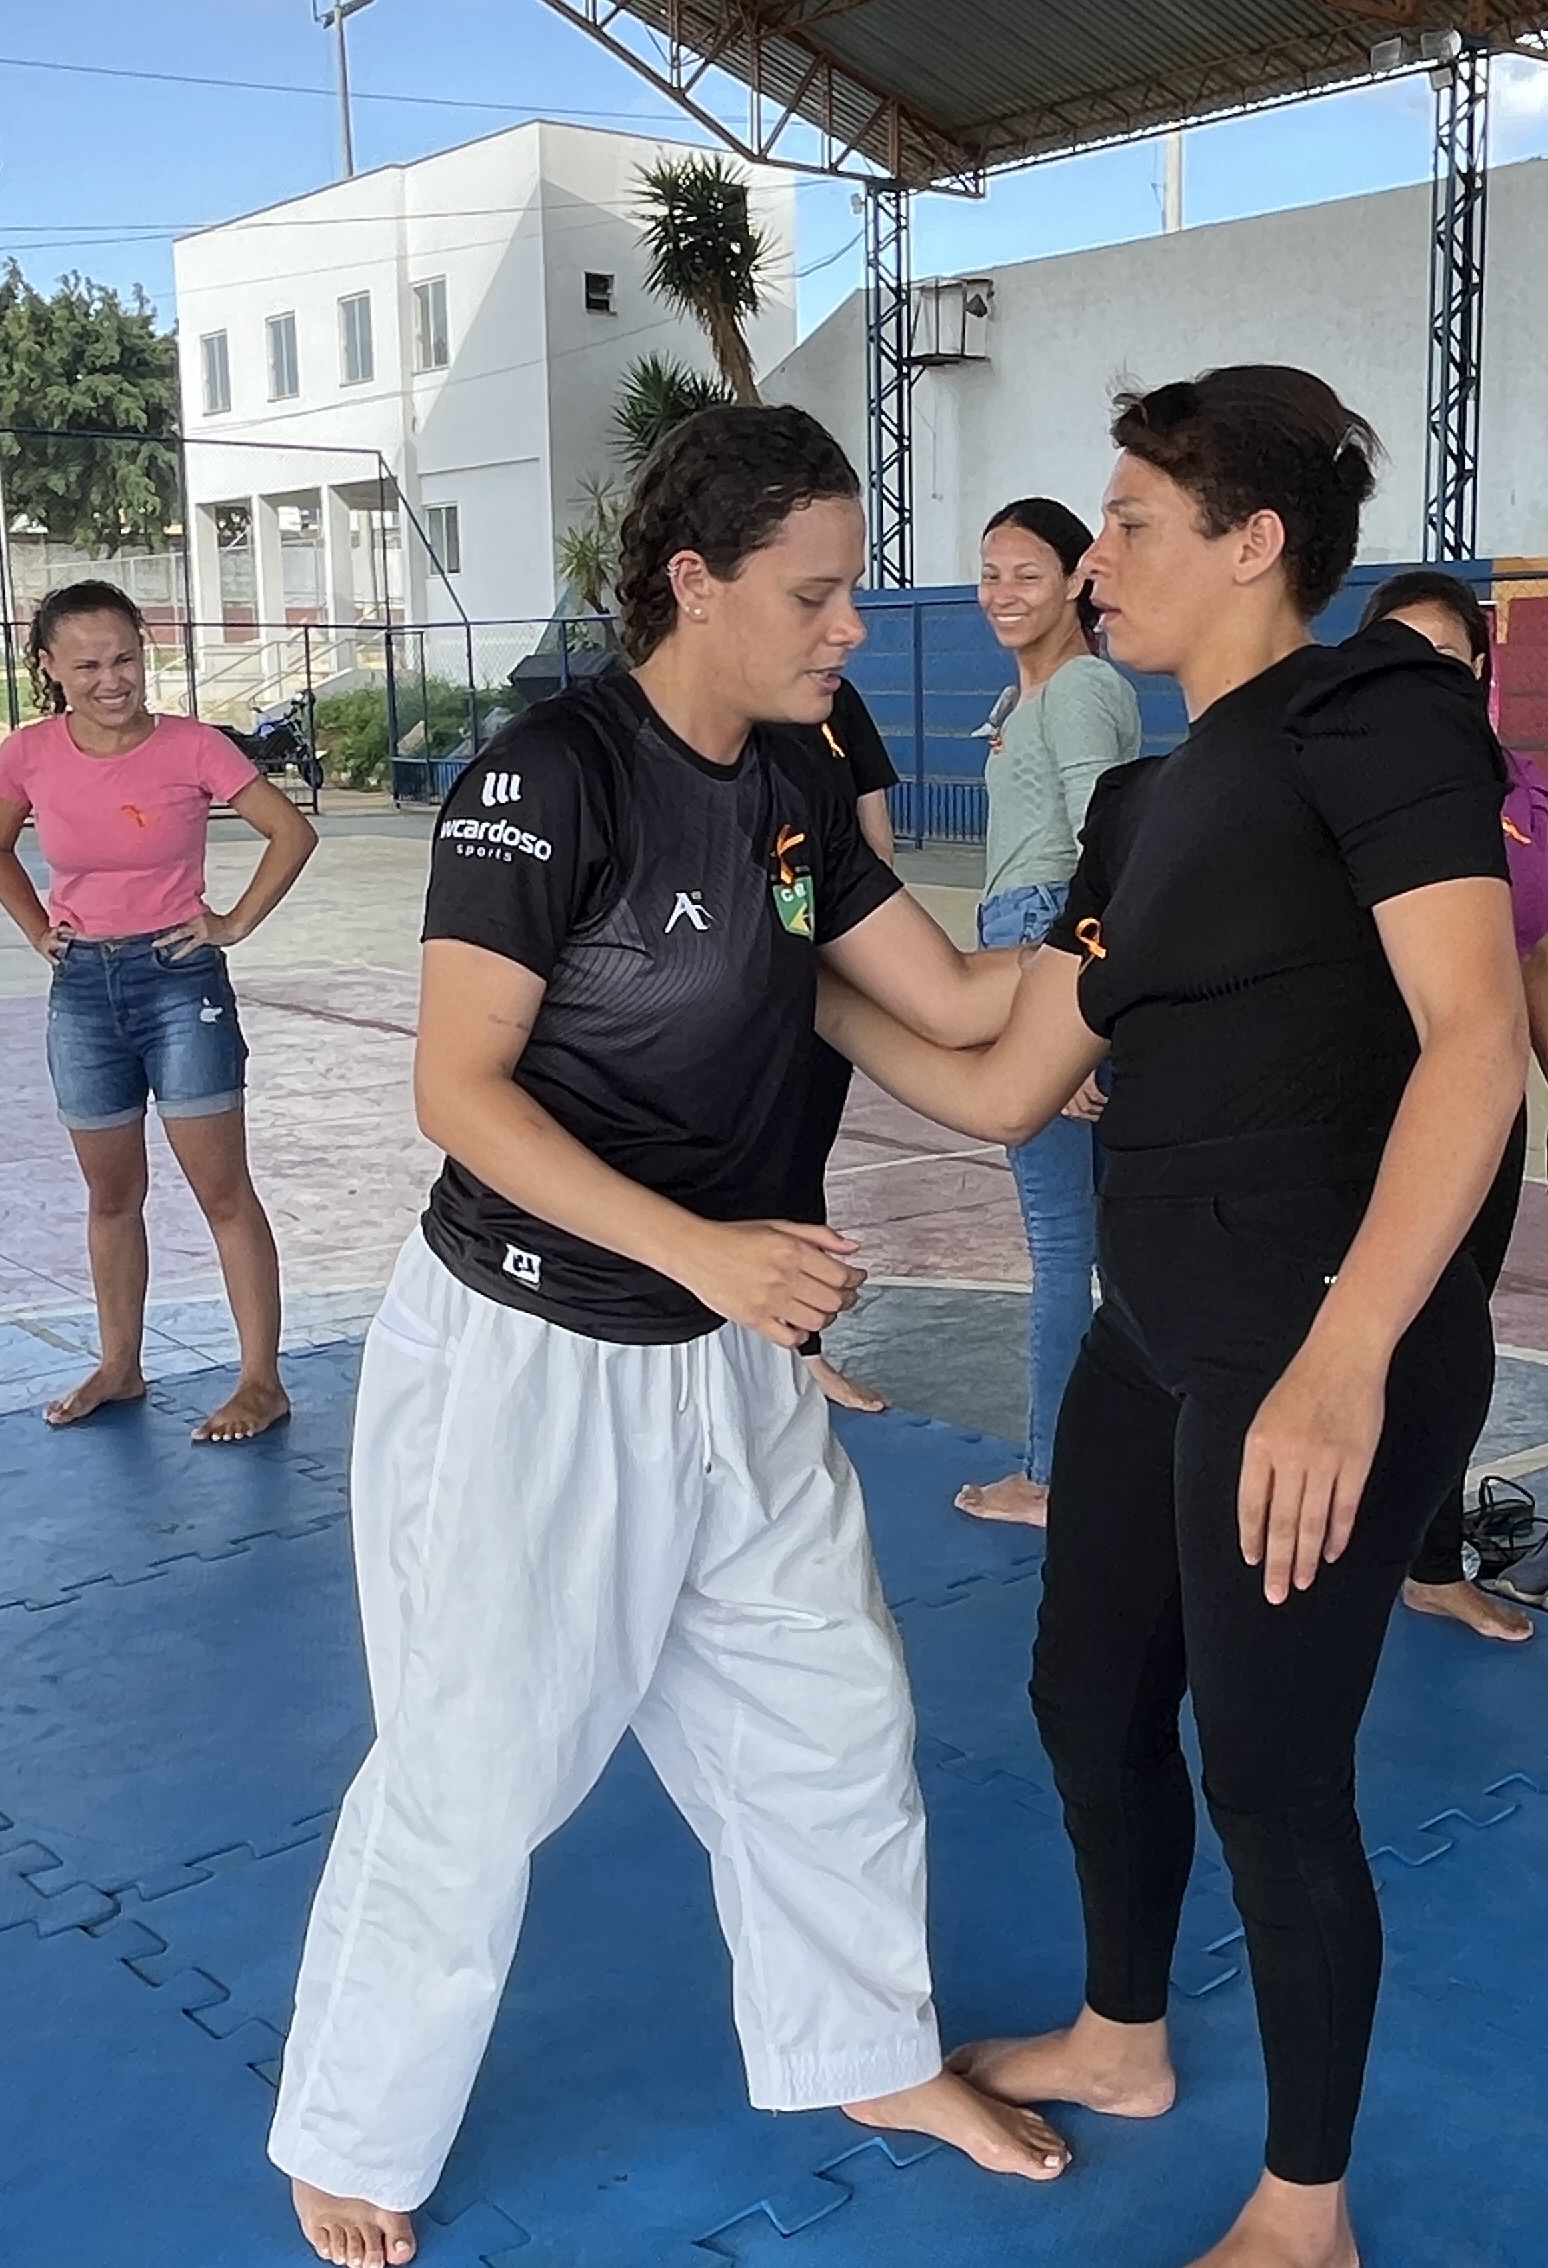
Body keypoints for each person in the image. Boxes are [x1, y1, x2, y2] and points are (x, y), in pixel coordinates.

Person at [271, 405, 1065, 2268]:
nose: (851, 625)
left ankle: (864, 2051)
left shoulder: (793, 782)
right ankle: (353, 2125)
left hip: (730, 1354)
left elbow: (956, 1001)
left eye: (854, 588)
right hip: (530, 1351)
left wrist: (1144, 918)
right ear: (694, 582)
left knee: (830, 1716)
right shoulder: (550, 777)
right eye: (815, 591)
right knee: (474, 1768)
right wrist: (703, 1252)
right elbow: (460, 1091)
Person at [819, 366, 1523, 2268]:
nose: (1096, 555)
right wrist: (781, 963)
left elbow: (1476, 1040)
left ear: (1255, 540)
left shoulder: (1376, 714)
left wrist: (1346, 1359)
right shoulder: (1142, 803)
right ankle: (1122, 2037)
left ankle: (1307, 2210)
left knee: (1274, 1776)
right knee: (1086, 1690)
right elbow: (998, 1079)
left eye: (1131, 522)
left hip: (1321, 1328)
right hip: (1160, 1323)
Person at [0, 580, 320, 1445]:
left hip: (179, 981)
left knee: (222, 1191)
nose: (111, 680)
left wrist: (232, 922)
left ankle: (261, 1381)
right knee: (112, 1194)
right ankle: (119, 1364)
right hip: (83, 992)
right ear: (49, 667)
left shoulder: (193, 746)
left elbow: (292, 832)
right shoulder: (27, 755)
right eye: (88, 665)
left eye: (125, 658)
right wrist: (37, 929)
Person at [1358, 567, 1548, 1646]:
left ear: (1480, 671)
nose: (1424, 681)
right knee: (1360, 1321)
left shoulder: (1519, 790)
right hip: (1369, 1102)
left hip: (1486, 1104)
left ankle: (1429, 1559)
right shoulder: (1337, 787)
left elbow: (1538, 952)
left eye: (1447, 660)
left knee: (1450, 1339)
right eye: (1399, 658)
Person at [955, 496, 1144, 1528]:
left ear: (1077, 580)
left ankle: (1051, 1472)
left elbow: (1101, 851)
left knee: (1063, 1243)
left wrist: (1066, 1031)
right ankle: (1117, 1458)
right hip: (1038, 950)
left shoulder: (1075, 690)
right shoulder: (1036, 693)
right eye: (990, 574)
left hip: (1050, 952)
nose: (1002, 593)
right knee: (1103, 1244)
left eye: (1027, 573)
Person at [795, 674, 905, 1417]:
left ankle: (801, 1352)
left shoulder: (839, 699)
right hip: (745, 971)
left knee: (801, 1152)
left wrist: (870, 953)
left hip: (827, 963)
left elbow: (876, 837)